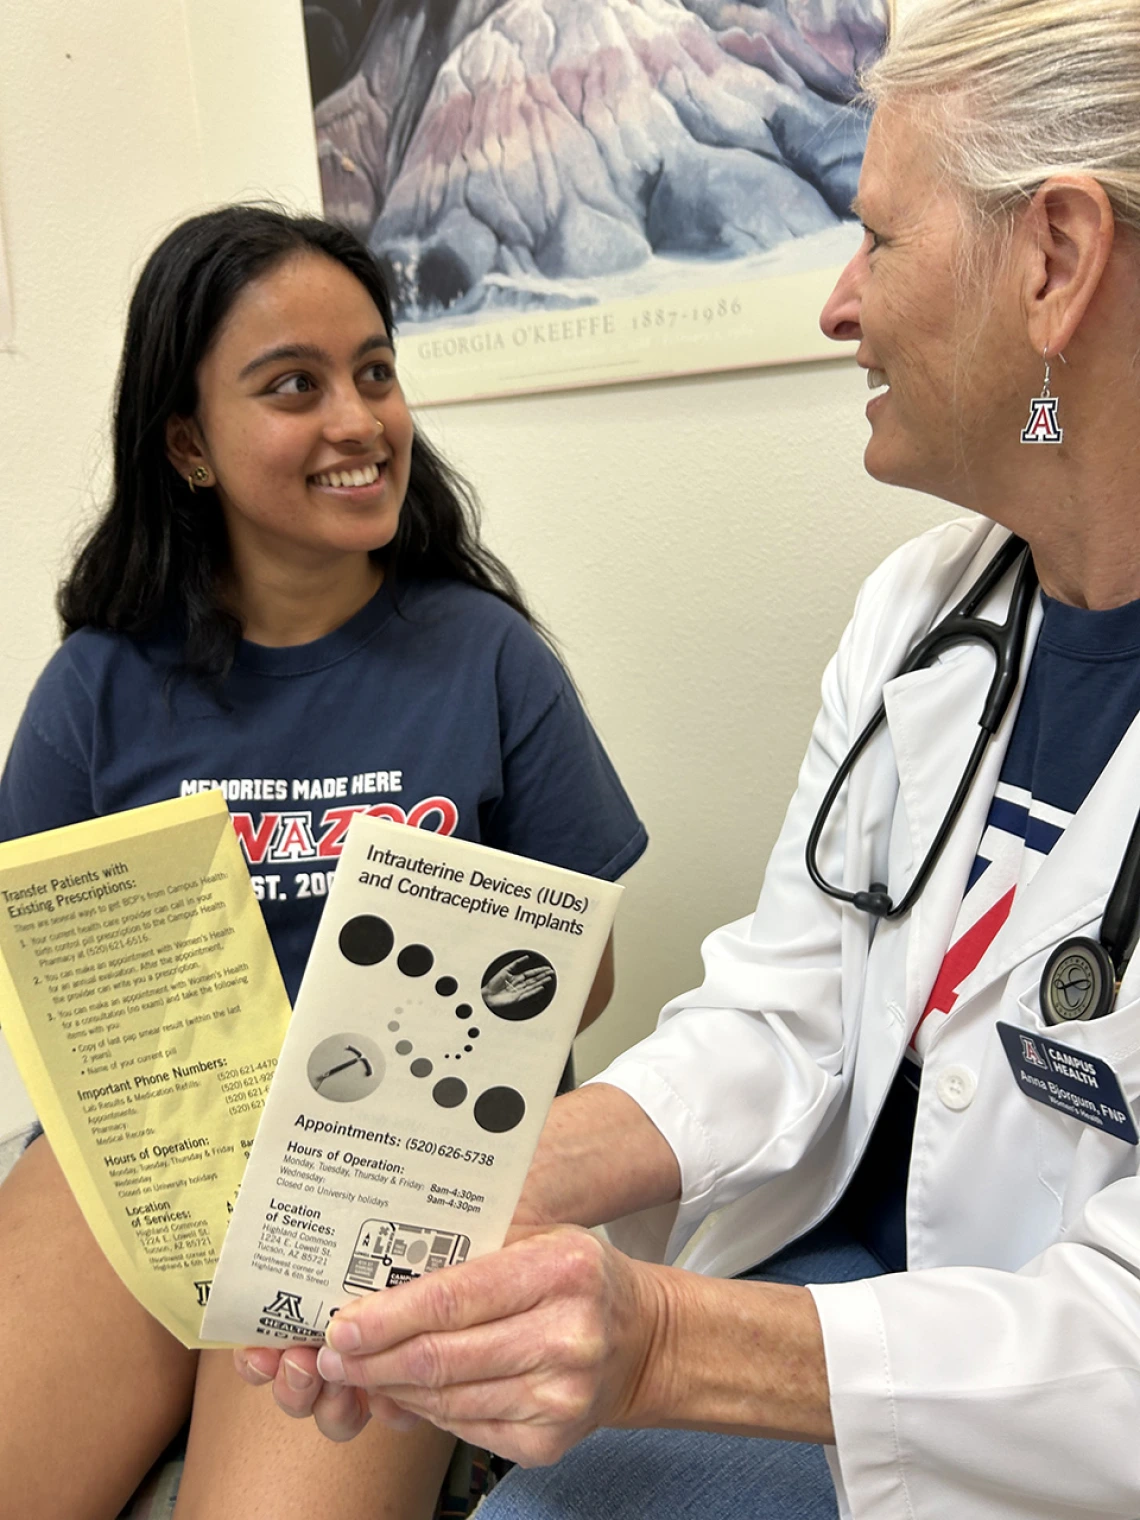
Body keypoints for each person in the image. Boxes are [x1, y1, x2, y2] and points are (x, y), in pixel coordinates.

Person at [238, 2, 1140, 1516]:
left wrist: (664, 1342)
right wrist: (506, 1174)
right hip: (838, 1296)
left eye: (879, 242)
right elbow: (785, 1016)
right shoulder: (925, 615)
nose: (838, 303)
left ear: (1054, 263)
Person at [0, 205, 647, 1520]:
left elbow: (582, 983)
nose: (360, 420)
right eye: (296, 386)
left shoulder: (488, 658)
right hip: (160, 1150)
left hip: (389, 1166)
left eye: (374, 371)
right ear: (186, 443)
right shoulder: (98, 687)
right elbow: (47, 967)